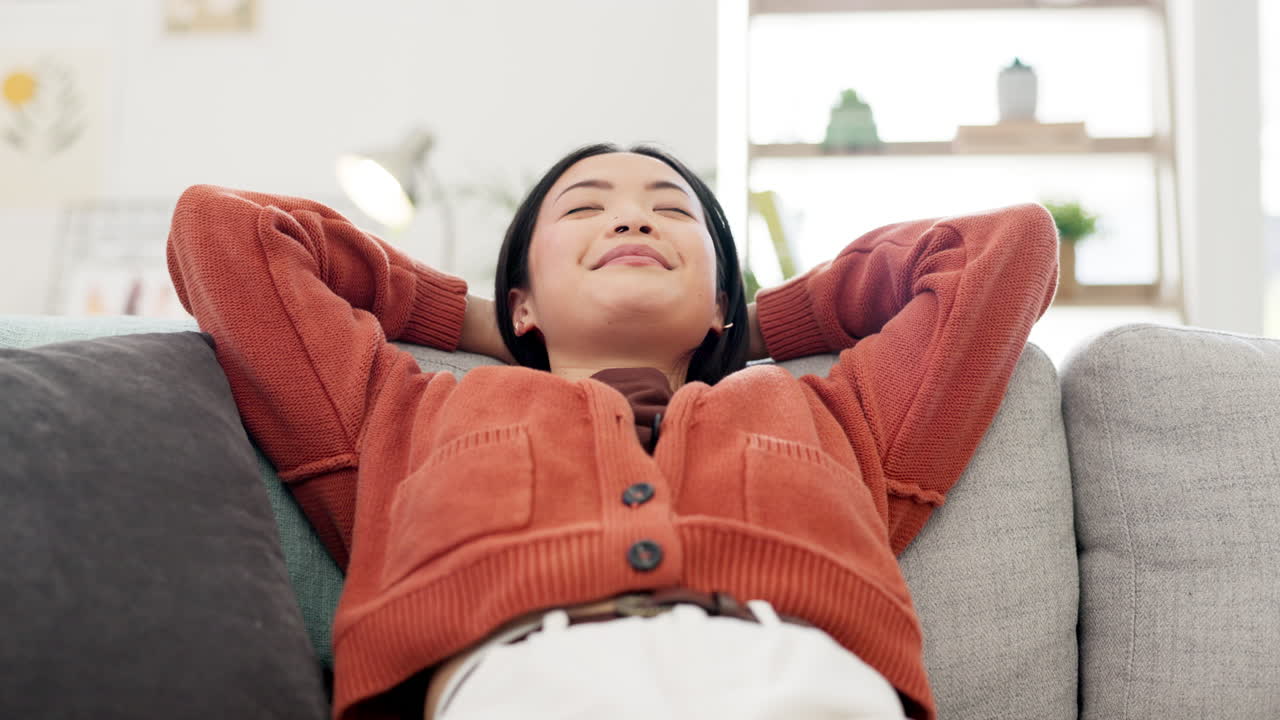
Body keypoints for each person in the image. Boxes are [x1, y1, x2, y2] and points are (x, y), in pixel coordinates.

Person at [165, 142, 1059, 720]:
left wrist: (749, 327)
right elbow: (230, 233)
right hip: (521, 689)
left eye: (672, 212)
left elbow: (1002, 249)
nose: (632, 217)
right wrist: (490, 322)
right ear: (520, 293)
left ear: (720, 296)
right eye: (584, 208)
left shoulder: (831, 416)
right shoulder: (406, 413)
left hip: (807, 687)